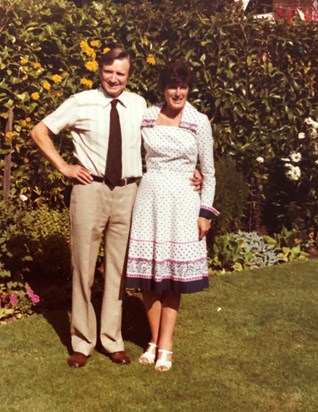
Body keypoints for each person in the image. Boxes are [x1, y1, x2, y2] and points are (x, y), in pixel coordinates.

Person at [31, 47, 201, 368]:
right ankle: (82, 342)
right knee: (83, 268)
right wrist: (64, 166)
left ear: (128, 75)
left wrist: (190, 168)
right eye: (109, 72)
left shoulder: (139, 106)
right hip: (89, 189)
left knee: (118, 271)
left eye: (120, 73)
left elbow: (166, 135)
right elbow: (39, 131)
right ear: (101, 71)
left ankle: (112, 340)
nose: (114, 78)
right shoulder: (81, 102)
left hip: (127, 193)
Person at [126, 60, 219, 372]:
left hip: (183, 204)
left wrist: (205, 213)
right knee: (148, 279)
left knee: (174, 280)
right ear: (163, 89)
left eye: (183, 86)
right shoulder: (148, 117)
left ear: (188, 88)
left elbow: (209, 172)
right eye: (172, 86)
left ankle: (166, 344)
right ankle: (153, 341)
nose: (177, 92)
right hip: (149, 201)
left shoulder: (198, 121)